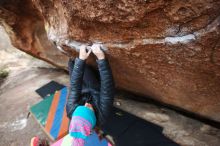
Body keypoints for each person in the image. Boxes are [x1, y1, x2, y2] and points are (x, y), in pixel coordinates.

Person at [66, 44, 115, 145]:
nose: (86, 104)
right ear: (93, 118)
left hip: (81, 92)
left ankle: (77, 61)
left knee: (72, 63)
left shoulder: (71, 109)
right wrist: (101, 58)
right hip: (94, 90)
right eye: (88, 109)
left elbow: (75, 86)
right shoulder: (102, 114)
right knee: (86, 72)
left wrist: (81, 59)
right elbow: (107, 86)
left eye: (82, 107)